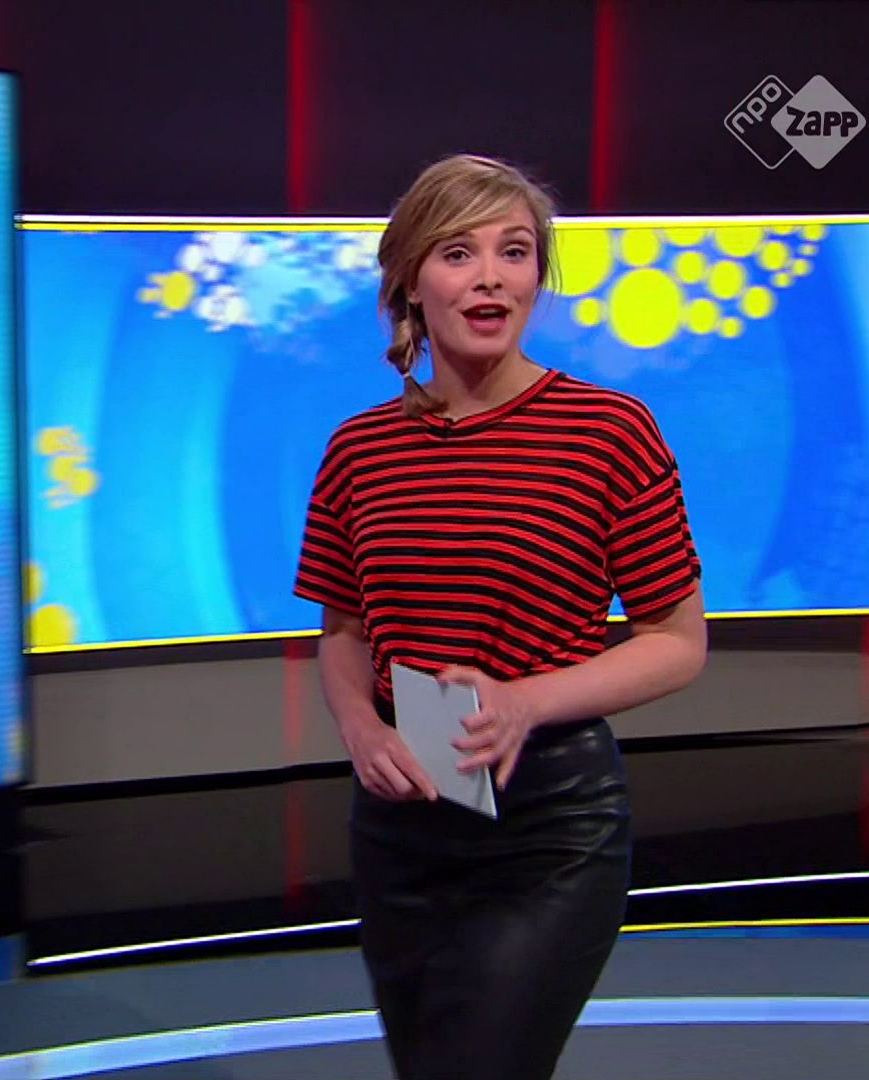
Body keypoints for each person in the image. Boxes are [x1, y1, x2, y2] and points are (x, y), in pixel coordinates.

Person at [294, 154, 709, 1080]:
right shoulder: (359, 450)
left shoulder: (609, 431)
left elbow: (677, 643)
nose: (490, 276)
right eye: (459, 253)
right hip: (401, 824)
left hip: (549, 825)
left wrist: (522, 702)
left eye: (513, 252)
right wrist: (361, 729)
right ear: (412, 282)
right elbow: (344, 631)